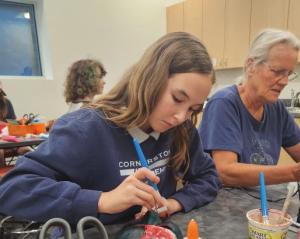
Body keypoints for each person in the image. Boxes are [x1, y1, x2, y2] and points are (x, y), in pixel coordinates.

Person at [0, 32, 220, 225]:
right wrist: (102, 200)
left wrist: (172, 203)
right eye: (177, 98)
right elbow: (12, 189)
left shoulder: (181, 129)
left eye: (193, 108)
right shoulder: (85, 128)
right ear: (151, 79)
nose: (181, 116)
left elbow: (208, 176)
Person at [199, 29, 300, 187]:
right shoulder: (224, 103)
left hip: (258, 198)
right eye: (277, 71)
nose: (285, 81)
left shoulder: (276, 109)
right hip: (221, 200)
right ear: (251, 65)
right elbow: (225, 173)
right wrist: (293, 173)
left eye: (289, 74)